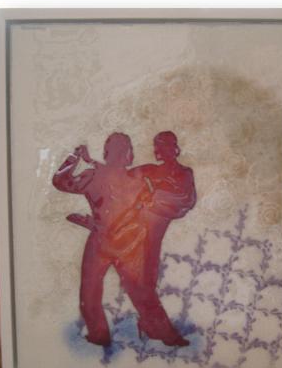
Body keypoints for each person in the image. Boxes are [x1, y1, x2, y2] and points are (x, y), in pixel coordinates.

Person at [52, 132, 194, 347]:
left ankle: (100, 335)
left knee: (90, 292)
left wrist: (76, 157)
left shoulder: (94, 175)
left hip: (101, 241)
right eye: (130, 151)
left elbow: (61, 182)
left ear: (106, 153)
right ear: (129, 155)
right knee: (140, 292)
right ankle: (167, 335)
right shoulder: (138, 180)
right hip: (127, 243)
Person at [130, 131, 197, 344]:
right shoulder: (151, 170)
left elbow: (187, 200)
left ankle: (152, 324)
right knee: (143, 277)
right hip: (136, 226)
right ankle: (160, 329)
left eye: (164, 145)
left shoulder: (184, 173)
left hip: (154, 227)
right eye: (157, 146)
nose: (159, 150)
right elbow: (121, 177)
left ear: (174, 147)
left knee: (147, 276)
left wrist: (155, 197)